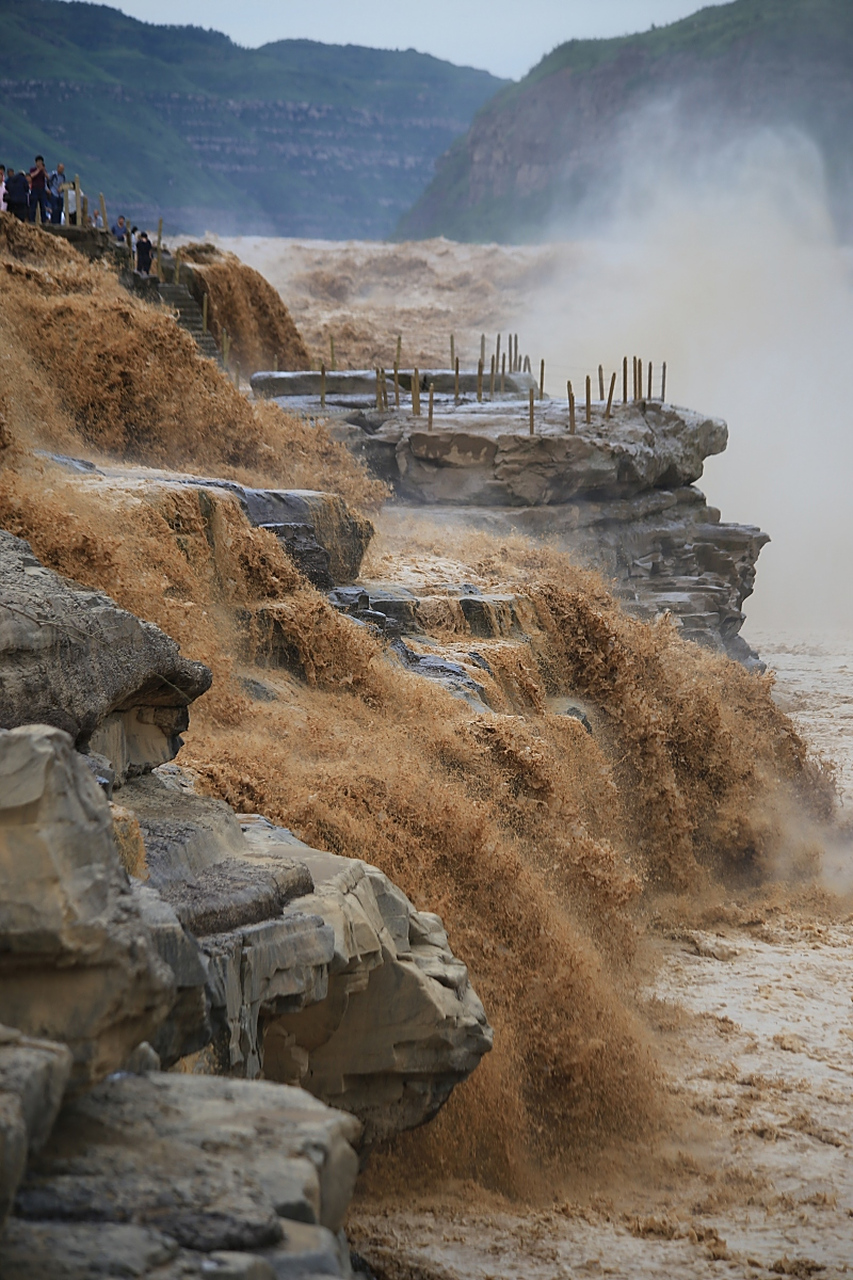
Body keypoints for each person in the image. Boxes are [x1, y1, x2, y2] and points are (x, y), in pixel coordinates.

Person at [28, 155, 49, 223]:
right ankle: (32, 220)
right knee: (33, 205)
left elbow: (48, 177)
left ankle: (44, 220)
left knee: (43, 206)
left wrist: (43, 171)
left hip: (42, 189)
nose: (39, 163)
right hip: (34, 189)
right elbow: (31, 176)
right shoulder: (33, 169)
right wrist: (38, 170)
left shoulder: (43, 170)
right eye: (38, 162)